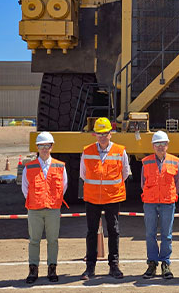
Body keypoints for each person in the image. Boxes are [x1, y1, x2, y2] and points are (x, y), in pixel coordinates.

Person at [80, 117, 131, 280]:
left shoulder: (120, 151)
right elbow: (83, 174)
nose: (102, 136)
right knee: (91, 233)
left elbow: (125, 173)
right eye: (99, 133)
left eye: (105, 133)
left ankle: (114, 266)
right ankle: (90, 268)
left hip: (112, 198)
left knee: (114, 231)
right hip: (92, 198)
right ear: (95, 134)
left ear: (111, 133)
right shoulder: (87, 151)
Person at [22, 132, 67, 284]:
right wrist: (37, 200)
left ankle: (52, 269)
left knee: (53, 240)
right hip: (34, 209)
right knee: (34, 240)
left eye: (47, 146)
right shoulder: (29, 167)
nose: (44, 149)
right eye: (41, 146)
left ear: (52, 147)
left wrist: (53, 200)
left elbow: (64, 186)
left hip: (53, 209)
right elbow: (25, 188)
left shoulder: (60, 166)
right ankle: (33, 270)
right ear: (37, 147)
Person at [140, 131, 179, 280]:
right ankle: (152, 263)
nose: (160, 147)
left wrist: (170, 196)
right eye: (157, 144)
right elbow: (142, 183)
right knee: (150, 234)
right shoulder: (146, 162)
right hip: (150, 203)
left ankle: (165, 263)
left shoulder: (174, 161)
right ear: (153, 146)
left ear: (167, 145)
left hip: (167, 203)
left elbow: (178, 183)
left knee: (167, 235)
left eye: (163, 144)